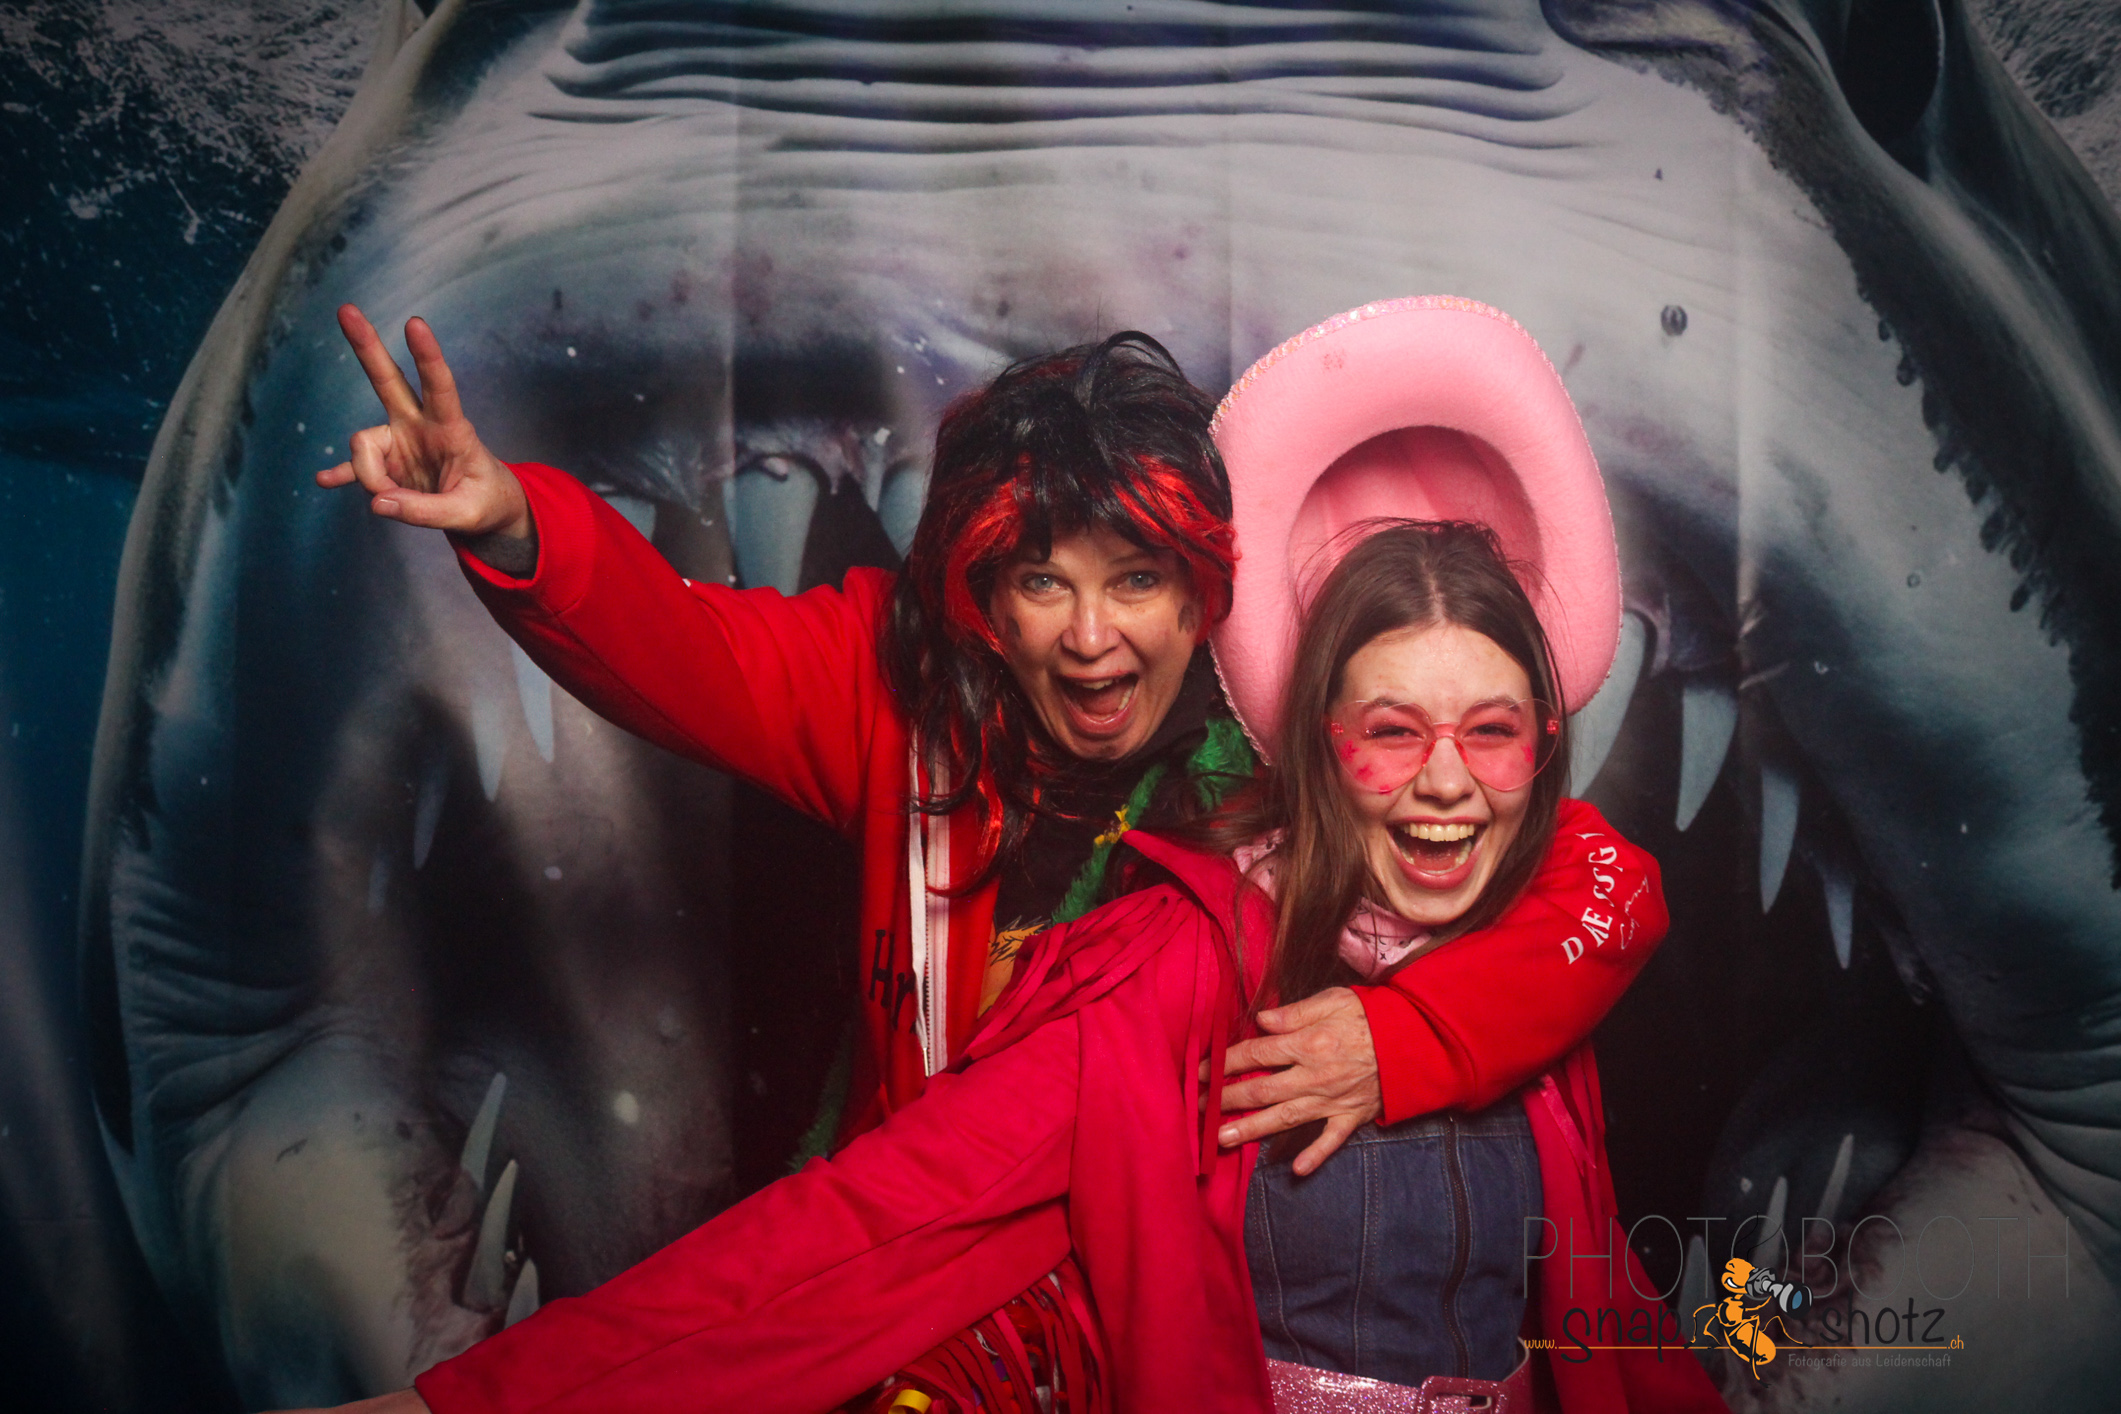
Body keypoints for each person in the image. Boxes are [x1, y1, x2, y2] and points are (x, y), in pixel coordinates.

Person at [316, 305, 1654, 1175]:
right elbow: (680, 644)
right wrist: (515, 523)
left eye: (1136, 580)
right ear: (981, 596)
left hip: (1161, 1293)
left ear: (1202, 590)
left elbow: (1604, 887)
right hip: (913, 1266)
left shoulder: (1293, 741)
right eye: (1041, 581)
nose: (1091, 635)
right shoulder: (893, 691)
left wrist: (1399, 1042)